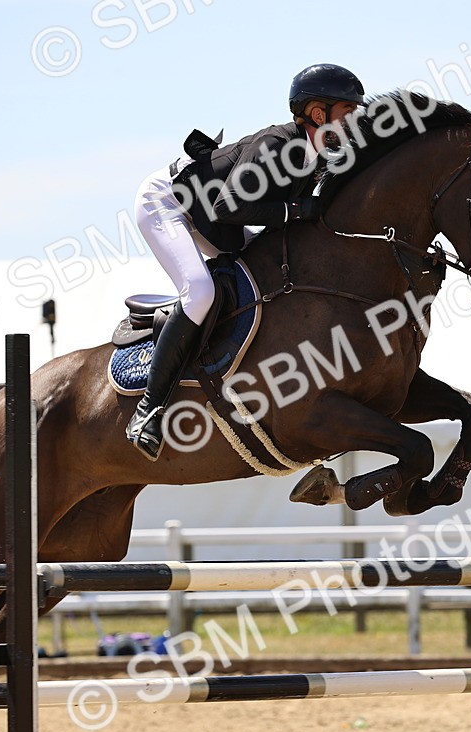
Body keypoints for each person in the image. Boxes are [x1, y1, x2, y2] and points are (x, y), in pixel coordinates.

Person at [127, 63, 366, 461]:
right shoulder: (277, 144)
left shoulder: (316, 158)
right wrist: (296, 209)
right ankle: (148, 409)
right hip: (169, 203)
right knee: (200, 291)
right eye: (348, 113)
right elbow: (228, 206)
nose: (354, 123)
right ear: (319, 114)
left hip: (213, 220)